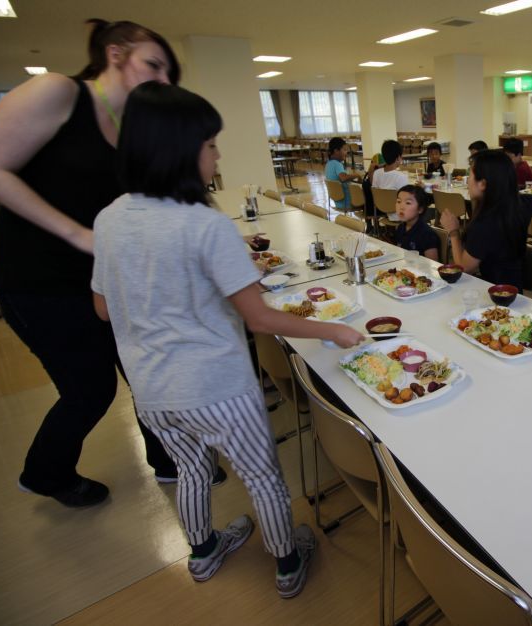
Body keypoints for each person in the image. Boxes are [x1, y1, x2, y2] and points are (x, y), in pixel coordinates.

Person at [92, 82, 364, 597]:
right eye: (210, 143)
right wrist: (333, 328)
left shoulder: (109, 218)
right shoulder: (203, 224)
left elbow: (103, 307)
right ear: (179, 149)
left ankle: (202, 552)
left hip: (151, 389)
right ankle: (286, 562)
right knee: (261, 476)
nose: (217, 155)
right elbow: (259, 318)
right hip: (217, 386)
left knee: (192, 471)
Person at [0, 19, 183, 507]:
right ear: (115, 55)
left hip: (102, 279)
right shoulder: (58, 92)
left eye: (168, 74)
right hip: (38, 278)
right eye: (152, 65)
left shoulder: (131, 131)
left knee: (143, 370)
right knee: (89, 388)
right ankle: (45, 473)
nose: (162, 80)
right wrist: (78, 234)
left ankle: (167, 459)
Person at [440, 150, 529, 289]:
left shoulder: (486, 222)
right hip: (515, 289)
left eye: (470, 175)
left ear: (483, 184)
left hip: (496, 294)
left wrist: (453, 232)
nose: (468, 180)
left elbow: (463, 268)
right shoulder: (520, 204)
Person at [394, 185, 439, 261]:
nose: (401, 207)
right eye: (398, 201)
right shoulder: (400, 227)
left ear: (420, 209)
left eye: (408, 203)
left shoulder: (427, 234)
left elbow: (433, 265)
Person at [324, 137, 361, 210]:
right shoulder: (337, 164)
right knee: (370, 199)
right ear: (336, 151)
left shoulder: (329, 164)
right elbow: (343, 177)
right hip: (347, 201)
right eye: (344, 150)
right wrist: (357, 175)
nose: (346, 152)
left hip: (338, 201)